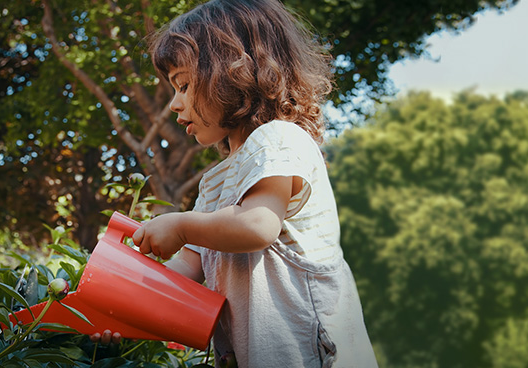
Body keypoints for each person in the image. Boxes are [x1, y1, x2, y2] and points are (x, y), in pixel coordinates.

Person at [93, 0, 378, 366]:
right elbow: (186, 271)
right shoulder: (216, 184)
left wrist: (179, 225)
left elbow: (257, 225)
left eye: (183, 86)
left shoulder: (278, 140)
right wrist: (118, 305)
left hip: (310, 355)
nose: (174, 105)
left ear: (232, 71)